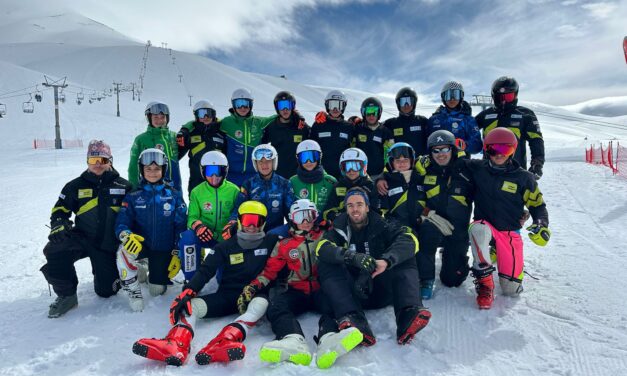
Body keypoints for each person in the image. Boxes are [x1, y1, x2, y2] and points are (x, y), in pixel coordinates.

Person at [132, 201, 279, 366]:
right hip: (227, 295)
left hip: (253, 295)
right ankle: (176, 343)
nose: (251, 226)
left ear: (264, 223)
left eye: (257, 221)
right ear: (238, 221)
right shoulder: (225, 246)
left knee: (261, 303)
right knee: (189, 306)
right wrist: (188, 292)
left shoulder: (271, 241)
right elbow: (205, 270)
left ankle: (224, 341)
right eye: (247, 221)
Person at [239, 200, 363, 368]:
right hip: (297, 290)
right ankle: (292, 339)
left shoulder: (326, 235)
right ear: (292, 219)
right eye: (300, 216)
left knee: (335, 303)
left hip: (322, 288)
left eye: (309, 216)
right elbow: (269, 271)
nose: (305, 222)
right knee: (276, 307)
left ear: (315, 217)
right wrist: (253, 286)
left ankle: (329, 338)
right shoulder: (284, 244)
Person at [316, 187, 431, 346]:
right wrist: (351, 257)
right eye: (350, 205)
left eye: (359, 204)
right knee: (326, 262)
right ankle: (353, 320)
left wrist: (386, 261)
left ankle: (408, 314)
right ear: (346, 208)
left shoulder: (383, 224)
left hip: (381, 286)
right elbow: (321, 248)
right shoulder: (338, 228)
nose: (355, 209)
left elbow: (409, 239)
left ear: (367, 207)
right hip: (351, 293)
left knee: (404, 256)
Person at [41, 140, 132, 318]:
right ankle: (67, 296)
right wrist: (59, 224)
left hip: (108, 245)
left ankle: (109, 271)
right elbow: (60, 209)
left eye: (103, 160)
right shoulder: (75, 186)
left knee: (107, 291)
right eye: (93, 160)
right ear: (87, 161)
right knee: (55, 249)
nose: (98, 164)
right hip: (82, 238)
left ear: (110, 161)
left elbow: (135, 215)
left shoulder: (124, 186)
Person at [462, 128, 550, 309]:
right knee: (477, 229)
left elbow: (538, 205)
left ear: (513, 150)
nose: (499, 155)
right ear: (486, 150)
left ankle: (503, 262)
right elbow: (449, 163)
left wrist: (540, 223)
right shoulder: (478, 168)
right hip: (484, 226)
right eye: (494, 150)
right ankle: (485, 284)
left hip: (508, 232)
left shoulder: (524, 178)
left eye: (506, 150)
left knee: (511, 290)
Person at [114, 148, 187, 311]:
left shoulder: (174, 195)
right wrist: (125, 234)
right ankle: (134, 288)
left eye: (157, 169)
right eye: (148, 169)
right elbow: (121, 222)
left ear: (164, 170)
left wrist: (177, 252)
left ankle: (150, 270)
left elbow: (181, 226)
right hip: (141, 246)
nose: (152, 173)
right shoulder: (133, 196)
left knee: (156, 291)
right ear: (141, 170)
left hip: (162, 249)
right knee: (123, 250)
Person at [413, 131, 473, 299]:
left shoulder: (466, 170)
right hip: (434, 224)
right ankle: (426, 279)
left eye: (445, 149)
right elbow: (408, 192)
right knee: (426, 231)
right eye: (435, 150)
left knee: (452, 280)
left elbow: (489, 188)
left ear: (452, 149)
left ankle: (449, 254)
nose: (440, 154)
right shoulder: (424, 172)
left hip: (457, 230)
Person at [178, 151, 243, 282]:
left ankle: (225, 274)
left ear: (225, 172)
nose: (214, 177)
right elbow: (192, 217)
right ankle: (191, 278)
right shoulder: (197, 192)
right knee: (187, 237)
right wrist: (198, 226)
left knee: (222, 280)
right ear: (203, 172)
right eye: (209, 172)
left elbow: (237, 214)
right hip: (205, 235)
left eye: (218, 172)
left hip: (225, 238)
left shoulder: (234, 190)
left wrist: (233, 224)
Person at [475, 76, 545, 178]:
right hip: (488, 171)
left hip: (516, 171)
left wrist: (537, 163)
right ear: (494, 97)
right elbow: (468, 131)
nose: (504, 101)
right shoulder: (485, 115)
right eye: (500, 97)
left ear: (515, 95)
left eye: (508, 97)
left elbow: (536, 139)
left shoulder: (525, 114)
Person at [222, 144, 295, 239]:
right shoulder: (248, 184)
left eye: (268, 161)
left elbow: (290, 212)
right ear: (255, 164)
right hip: (253, 231)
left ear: (274, 162)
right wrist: (232, 222)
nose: (264, 165)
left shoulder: (284, 184)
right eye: (260, 162)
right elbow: (238, 208)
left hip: (275, 233)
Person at [219, 88, 277, 186]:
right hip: (231, 175)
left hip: (254, 175)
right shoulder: (226, 122)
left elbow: (278, 116)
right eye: (238, 104)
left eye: (246, 103)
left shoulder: (258, 122)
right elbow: (208, 121)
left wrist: (297, 116)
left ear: (251, 104)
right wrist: (186, 128)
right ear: (233, 105)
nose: (242, 107)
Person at [176, 100, 227, 194]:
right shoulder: (191, 133)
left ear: (214, 115)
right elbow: (177, 154)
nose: (206, 117)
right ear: (196, 116)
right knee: (196, 205)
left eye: (209, 113)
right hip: (196, 178)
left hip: (217, 178)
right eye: (202, 114)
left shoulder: (221, 132)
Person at [128, 102, 182, 190]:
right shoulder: (141, 139)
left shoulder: (174, 137)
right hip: (151, 190)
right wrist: (134, 188)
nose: (159, 120)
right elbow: (133, 167)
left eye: (162, 117)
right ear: (149, 118)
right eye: (155, 117)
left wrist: (185, 129)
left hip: (175, 187)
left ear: (167, 118)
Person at [261, 91, 310, 179]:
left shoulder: (301, 126)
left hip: (298, 177)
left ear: (293, 106)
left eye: (288, 105)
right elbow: (260, 147)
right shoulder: (271, 127)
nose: (285, 109)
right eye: (281, 106)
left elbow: (315, 141)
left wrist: (323, 120)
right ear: (277, 108)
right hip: (277, 176)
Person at [323, 147, 378, 222]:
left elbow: (376, 211)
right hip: (344, 226)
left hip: (366, 226)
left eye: (355, 166)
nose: (351, 171)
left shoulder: (370, 186)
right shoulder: (338, 186)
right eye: (346, 167)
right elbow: (328, 210)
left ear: (363, 167)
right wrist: (339, 217)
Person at [427, 81, 483, 155]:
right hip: (438, 160)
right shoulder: (434, 119)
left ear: (461, 97)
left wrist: (465, 145)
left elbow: (477, 146)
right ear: (443, 97)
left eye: (456, 95)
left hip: (461, 162)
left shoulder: (468, 120)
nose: (452, 99)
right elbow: (426, 143)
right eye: (448, 95)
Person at [310, 90, 355, 179]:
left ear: (344, 107)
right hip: (321, 174)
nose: (335, 109)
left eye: (339, 105)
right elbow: (311, 148)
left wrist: (356, 119)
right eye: (332, 105)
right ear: (327, 106)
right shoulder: (318, 125)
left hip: (343, 175)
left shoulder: (349, 127)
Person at [377, 142, 422, 231]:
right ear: (391, 162)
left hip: (422, 226)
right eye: (398, 161)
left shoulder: (421, 178)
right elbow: (382, 212)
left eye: (405, 160)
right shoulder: (386, 183)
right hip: (398, 230)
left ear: (412, 160)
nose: (402, 163)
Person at [290, 140, 337, 211]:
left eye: (313, 157)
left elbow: (336, 204)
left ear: (319, 158)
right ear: (298, 160)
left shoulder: (330, 181)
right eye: (304, 158)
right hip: (302, 221)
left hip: (324, 221)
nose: (308, 161)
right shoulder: (293, 181)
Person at [353, 97, 395, 176]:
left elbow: (389, 155)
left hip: (378, 175)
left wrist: (385, 173)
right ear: (363, 113)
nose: (371, 116)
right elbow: (351, 148)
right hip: (359, 174)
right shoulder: (357, 129)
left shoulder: (385, 132)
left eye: (374, 112)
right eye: (368, 112)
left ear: (379, 113)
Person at [382, 87, 429, 157]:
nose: (406, 105)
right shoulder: (391, 123)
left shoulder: (422, 121)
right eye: (403, 101)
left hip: (420, 165)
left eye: (409, 101)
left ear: (414, 103)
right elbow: (374, 127)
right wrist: (360, 122)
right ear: (398, 103)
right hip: (401, 164)